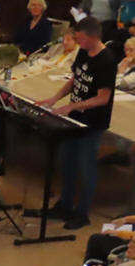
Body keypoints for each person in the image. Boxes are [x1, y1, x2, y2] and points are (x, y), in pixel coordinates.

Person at [39, 17, 117, 230]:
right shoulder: (84, 51)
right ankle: (65, 204)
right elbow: (75, 79)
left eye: (80, 39)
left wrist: (73, 106)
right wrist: (55, 99)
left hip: (92, 123)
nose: (77, 42)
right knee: (67, 161)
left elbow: (103, 98)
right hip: (74, 118)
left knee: (86, 166)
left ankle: (82, 213)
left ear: (93, 37)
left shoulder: (107, 61)